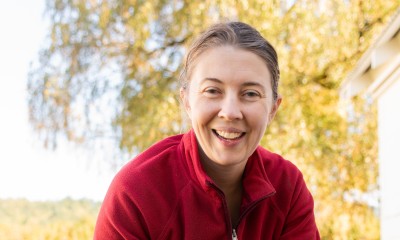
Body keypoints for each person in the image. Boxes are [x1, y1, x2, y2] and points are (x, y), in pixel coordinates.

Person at [94, 21, 320, 239]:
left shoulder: (288, 188)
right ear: (187, 101)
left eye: (250, 93)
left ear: (273, 108)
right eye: (212, 91)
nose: (230, 112)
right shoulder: (135, 194)